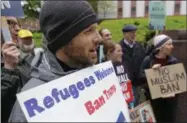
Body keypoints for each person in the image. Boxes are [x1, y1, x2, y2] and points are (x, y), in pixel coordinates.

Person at [8, 1, 102, 122]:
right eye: (89, 31)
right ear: (63, 39)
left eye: (96, 29)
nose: (99, 38)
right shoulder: (29, 106)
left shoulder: (96, 76)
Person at [139, 34, 178, 122]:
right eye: (169, 44)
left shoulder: (173, 61)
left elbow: (178, 80)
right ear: (161, 48)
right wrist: (151, 72)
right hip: (154, 101)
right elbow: (140, 79)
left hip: (170, 102)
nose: (172, 47)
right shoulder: (148, 60)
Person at [1, 30, 36, 122]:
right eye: (10, 23)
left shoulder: (32, 57)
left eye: (29, 39)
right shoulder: (9, 62)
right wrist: (8, 69)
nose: (16, 28)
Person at [102, 41, 135, 109]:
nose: (122, 53)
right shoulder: (102, 72)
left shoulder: (123, 65)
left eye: (121, 51)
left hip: (128, 105)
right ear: (109, 53)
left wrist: (131, 104)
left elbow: (128, 86)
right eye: (118, 51)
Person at [119, 24, 146, 106]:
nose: (134, 35)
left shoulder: (139, 46)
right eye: (131, 33)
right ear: (125, 34)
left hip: (138, 82)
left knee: (138, 104)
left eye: (135, 32)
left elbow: (144, 60)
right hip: (126, 83)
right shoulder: (119, 47)